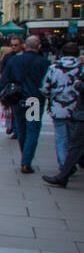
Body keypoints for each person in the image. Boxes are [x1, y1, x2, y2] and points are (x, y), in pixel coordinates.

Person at [0, 35, 50, 174]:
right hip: (33, 100)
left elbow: (5, 79)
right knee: (32, 130)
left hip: (17, 99)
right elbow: (48, 83)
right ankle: (26, 162)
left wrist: (3, 99)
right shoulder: (43, 62)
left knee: (22, 130)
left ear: (25, 46)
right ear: (39, 46)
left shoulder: (14, 60)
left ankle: (25, 157)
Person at [43, 46, 84, 187]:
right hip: (76, 109)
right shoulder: (81, 68)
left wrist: (50, 100)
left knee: (61, 138)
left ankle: (63, 166)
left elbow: (46, 87)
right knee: (74, 139)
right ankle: (68, 168)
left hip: (59, 107)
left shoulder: (54, 67)